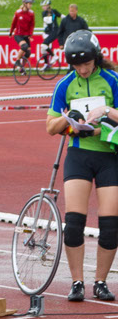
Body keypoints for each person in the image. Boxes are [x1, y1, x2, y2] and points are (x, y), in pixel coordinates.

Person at [46, 30, 118, 303]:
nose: (83, 70)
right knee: (74, 224)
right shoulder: (65, 85)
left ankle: (100, 282)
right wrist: (69, 120)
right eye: (77, 65)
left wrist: (106, 112)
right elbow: (50, 126)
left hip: (109, 156)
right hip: (79, 155)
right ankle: (77, 282)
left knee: (110, 226)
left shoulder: (112, 80)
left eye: (86, 64)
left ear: (96, 58)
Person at [9, 0, 35, 73]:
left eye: (31, 4)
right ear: (24, 4)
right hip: (18, 34)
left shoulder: (31, 13)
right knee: (24, 46)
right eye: (29, 4)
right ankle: (17, 61)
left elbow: (32, 25)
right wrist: (11, 32)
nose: (30, 5)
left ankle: (21, 67)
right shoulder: (18, 12)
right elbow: (13, 23)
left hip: (26, 35)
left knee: (28, 53)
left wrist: (30, 35)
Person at [38, 0, 61, 72]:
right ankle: (46, 64)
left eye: (44, 6)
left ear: (48, 6)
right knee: (43, 49)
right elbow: (47, 22)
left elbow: (62, 16)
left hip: (54, 32)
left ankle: (54, 56)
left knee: (44, 45)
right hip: (47, 32)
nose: (43, 7)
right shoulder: (43, 13)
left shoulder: (54, 11)